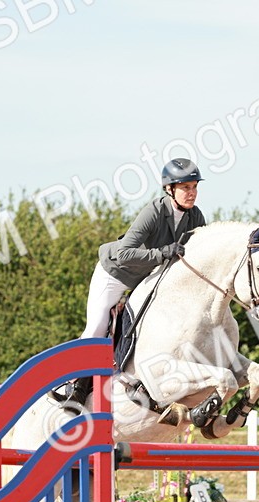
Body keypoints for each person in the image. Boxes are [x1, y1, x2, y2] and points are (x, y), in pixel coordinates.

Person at [56, 157, 207, 403]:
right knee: (97, 327)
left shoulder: (196, 217)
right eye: (185, 187)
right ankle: (72, 385)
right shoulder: (154, 212)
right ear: (170, 189)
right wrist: (162, 253)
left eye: (194, 187)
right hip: (115, 273)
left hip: (145, 279)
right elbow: (125, 253)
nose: (192, 193)